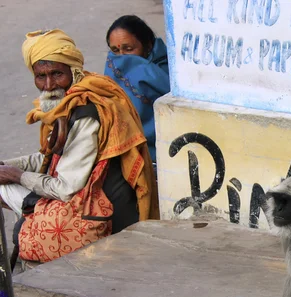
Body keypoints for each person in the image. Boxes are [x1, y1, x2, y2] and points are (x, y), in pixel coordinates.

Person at [0, 28, 159, 266]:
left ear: (73, 71)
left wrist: (16, 175)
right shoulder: (69, 102)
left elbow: (65, 189)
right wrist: (9, 166)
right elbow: (49, 157)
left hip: (101, 213)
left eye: (56, 74)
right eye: (40, 76)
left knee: (5, 189)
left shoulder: (85, 113)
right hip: (89, 199)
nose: (49, 85)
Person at [104, 15, 170, 165]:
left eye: (128, 49)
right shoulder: (112, 75)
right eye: (115, 50)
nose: (121, 58)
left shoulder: (168, 74)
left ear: (147, 46)